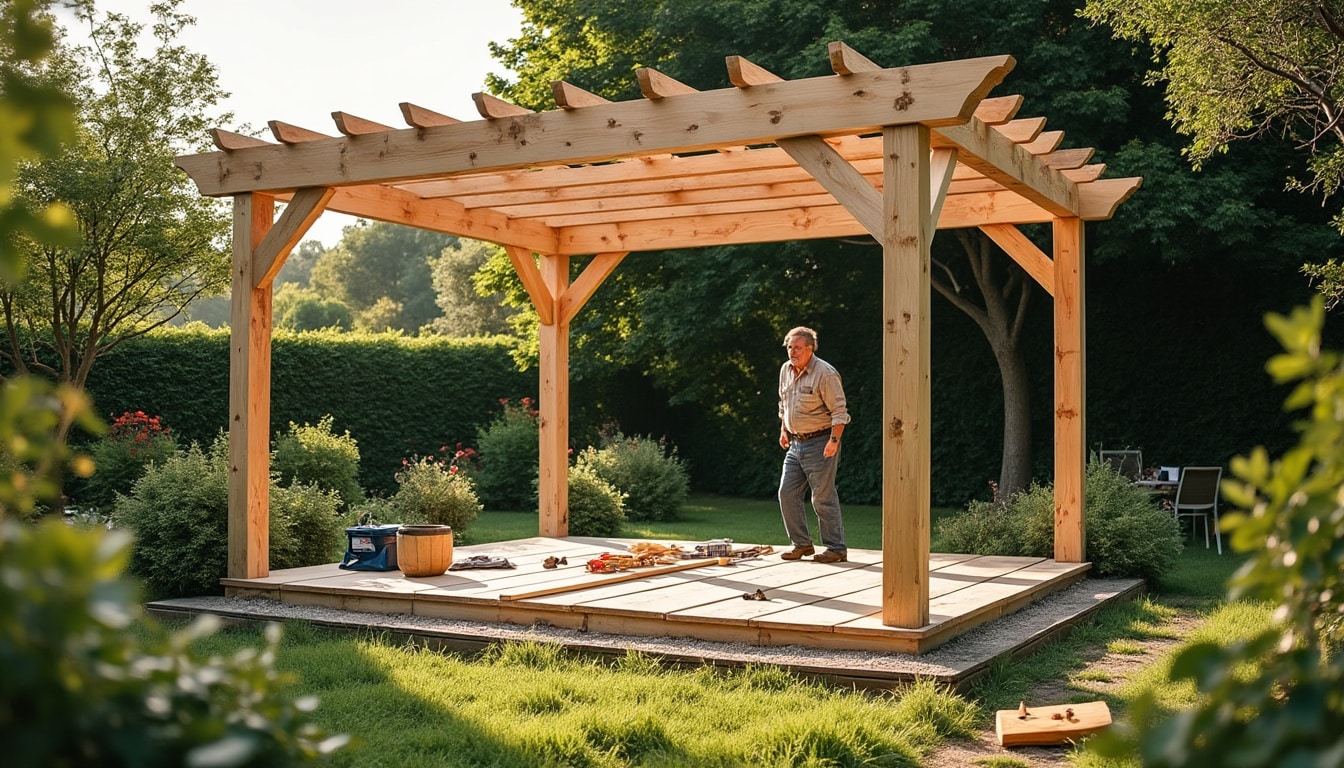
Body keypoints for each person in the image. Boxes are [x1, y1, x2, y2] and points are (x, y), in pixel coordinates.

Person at [776, 326, 850, 563]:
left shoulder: (825, 374)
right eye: (789, 347)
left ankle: (836, 548)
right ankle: (802, 544)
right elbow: (784, 403)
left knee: (822, 497)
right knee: (786, 493)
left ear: (811, 348)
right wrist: (784, 429)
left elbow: (839, 412)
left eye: (798, 347)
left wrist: (833, 441)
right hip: (795, 444)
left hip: (821, 442)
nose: (792, 352)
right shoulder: (785, 370)